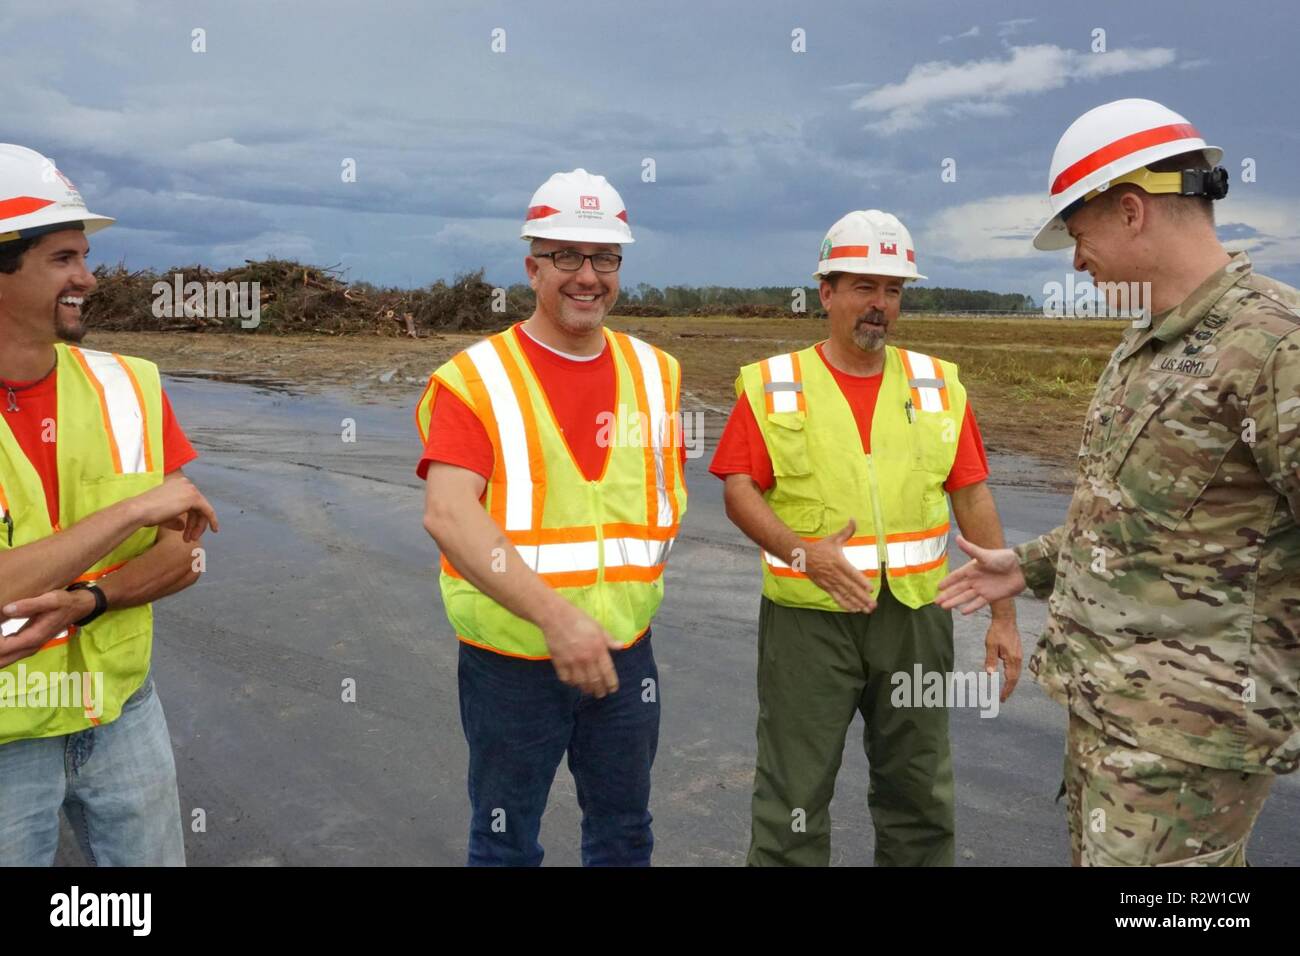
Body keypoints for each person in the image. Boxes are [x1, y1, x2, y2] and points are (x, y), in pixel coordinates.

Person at [938, 98, 1300, 866]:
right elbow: (1133, 515)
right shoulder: (1147, 343)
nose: (1076, 262)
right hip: (1111, 719)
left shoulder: (1274, 347)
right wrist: (1026, 566)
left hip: (1194, 746)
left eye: (1078, 235)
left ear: (1131, 211)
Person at [711, 209, 1021, 866]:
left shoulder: (938, 386)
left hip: (914, 617)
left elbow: (972, 493)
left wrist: (1004, 616)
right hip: (809, 625)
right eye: (864, 287)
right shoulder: (774, 385)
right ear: (826, 291)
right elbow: (738, 490)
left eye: (893, 290)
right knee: (793, 798)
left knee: (919, 796)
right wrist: (804, 554)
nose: (879, 305)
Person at [416, 169, 688, 866]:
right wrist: (556, 618)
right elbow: (449, 514)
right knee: (506, 843)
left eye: (604, 258)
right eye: (567, 257)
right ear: (533, 267)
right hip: (513, 664)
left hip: (626, 657)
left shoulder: (658, 374)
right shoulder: (477, 378)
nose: (587, 276)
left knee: (624, 834)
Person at [0, 144, 219, 866]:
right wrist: (127, 514)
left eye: (84, 256)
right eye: (63, 258)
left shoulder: (129, 385)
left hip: (123, 717)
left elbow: (184, 554)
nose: (87, 279)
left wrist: (90, 600)